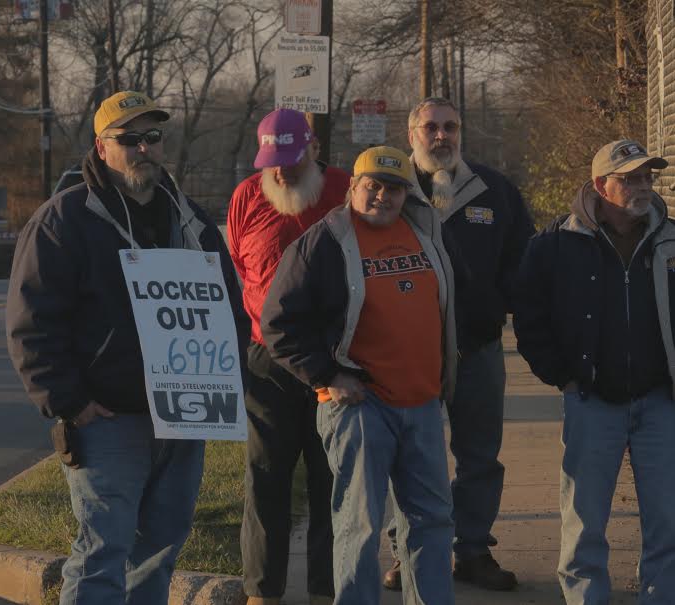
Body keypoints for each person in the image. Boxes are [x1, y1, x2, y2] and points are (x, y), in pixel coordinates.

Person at [5, 90, 250, 605]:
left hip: (185, 415)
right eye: (129, 139)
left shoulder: (192, 221)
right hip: (108, 418)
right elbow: (32, 321)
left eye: (153, 137)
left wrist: (227, 387)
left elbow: (228, 307)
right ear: (101, 146)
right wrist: (68, 401)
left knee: (161, 549)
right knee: (103, 551)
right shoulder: (64, 220)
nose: (144, 149)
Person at [261, 146, 457, 605]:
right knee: (359, 524)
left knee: (431, 520)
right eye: (373, 185)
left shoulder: (425, 231)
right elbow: (277, 323)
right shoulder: (323, 242)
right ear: (353, 187)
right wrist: (328, 374)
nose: (382, 196)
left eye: (393, 188)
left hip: (423, 403)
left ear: (407, 194)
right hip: (361, 406)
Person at [513, 139, 675, 604]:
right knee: (584, 520)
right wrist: (562, 374)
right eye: (631, 178)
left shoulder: (669, 239)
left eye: (648, 176)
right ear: (601, 186)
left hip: (660, 400)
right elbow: (529, 314)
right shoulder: (554, 244)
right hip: (591, 400)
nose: (643, 186)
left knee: (666, 518)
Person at [383, 97, 534, 593]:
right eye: (431, 127)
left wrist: (500, 305)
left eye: (450, 127)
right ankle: (410, 552)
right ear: (412, 134)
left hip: (478, 347)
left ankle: (472, 551)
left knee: (479, 456)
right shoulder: (389, 190)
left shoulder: (495, 191)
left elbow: (523, 261)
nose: (441, 136)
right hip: (408, 352)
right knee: (410, 456)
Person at [227, 108, 350, 605]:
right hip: (268, 364)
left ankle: (327, 590)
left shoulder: (345, 191)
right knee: (265, 483)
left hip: (334, 362)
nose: (280, 172)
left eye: (292, 161)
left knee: (332, 484)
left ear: (314, 150)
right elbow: (237, 264)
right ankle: (262, 592)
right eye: (271, 162)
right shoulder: (247, 197)